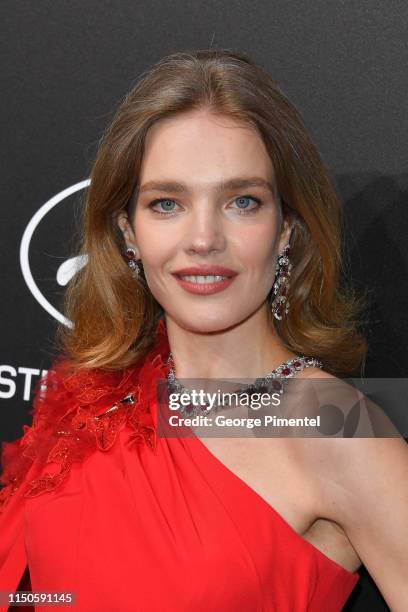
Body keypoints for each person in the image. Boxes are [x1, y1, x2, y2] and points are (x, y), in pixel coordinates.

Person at [1, 48, 407, 612]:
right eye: (167, 203)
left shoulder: (338, 430)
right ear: (128, 233)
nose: (203, 239)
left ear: (287, 228)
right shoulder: (93, 396)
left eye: (243, 201)